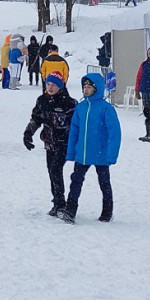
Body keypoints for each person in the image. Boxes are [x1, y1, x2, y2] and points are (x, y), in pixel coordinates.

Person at [60, 73, 122, 224]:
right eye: (84, 87)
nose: (86, 90)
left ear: (97, 89)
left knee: (104, 182)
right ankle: (70, 211)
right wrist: (71, 152)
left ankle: (107, 212)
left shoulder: (106, 108)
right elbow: (74, 131)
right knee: (76, 181)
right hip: (83, 153)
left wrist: (111, 154)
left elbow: (115, 132)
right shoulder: (81, 107)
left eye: (89, 87)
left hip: (101, 154)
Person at [24, 72, 77, 217]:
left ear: (60, 86)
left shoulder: (70, 103)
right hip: (49, 143)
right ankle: (57, 202)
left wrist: (70, 138)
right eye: (48, 84)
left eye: (54, 85)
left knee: (55, 169)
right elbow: (36, 119)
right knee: (51, 171)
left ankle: (61, 204)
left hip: (64, 144)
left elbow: (76, 125)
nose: (50, 87)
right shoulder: (42, 100)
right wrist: (28, 134)